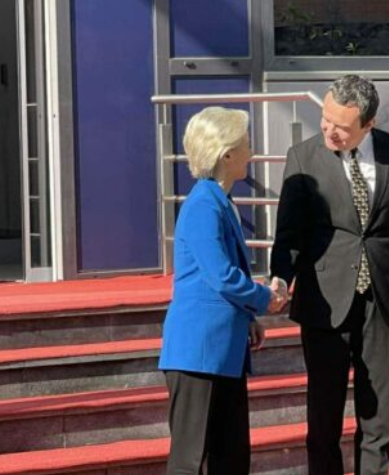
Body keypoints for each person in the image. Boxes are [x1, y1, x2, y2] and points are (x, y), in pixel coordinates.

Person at [270, 75, 389, 475]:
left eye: (341, 126)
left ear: (369, 124)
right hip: (324, 300)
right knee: (323, 415)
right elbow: (289, 232)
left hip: (382, 300)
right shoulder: (303, 157)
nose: (329, 130)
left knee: (377, 415)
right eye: (325, 119)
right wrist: (280, 277)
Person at [158, 106, 286, 475]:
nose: (252, 151)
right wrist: (265, 298)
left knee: (229, 458)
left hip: (221, 350)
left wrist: (248, 318)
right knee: (193, 461)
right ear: (227, 154)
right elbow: (222, 276)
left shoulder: (218, 200)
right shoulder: (203, 204)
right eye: (246, 143)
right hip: (198, 353)